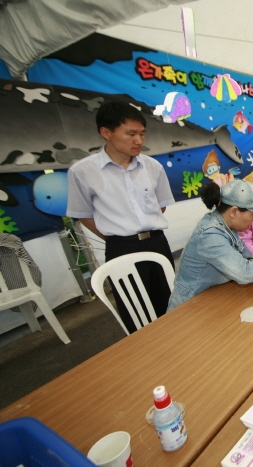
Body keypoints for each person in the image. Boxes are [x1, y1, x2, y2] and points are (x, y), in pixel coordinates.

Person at [67, 100, 175, 333]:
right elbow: (84, 215)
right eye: (131, 134)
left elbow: (160, 206)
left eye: (142, 134)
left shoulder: (152, 166)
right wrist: (117, 238)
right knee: (135, 311)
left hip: (157, 243)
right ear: (106, 132)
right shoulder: (83, 171)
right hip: (120, 248)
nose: (139, 141)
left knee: (170, 303)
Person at [167, 180, 253, 310]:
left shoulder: (228, 224)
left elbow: (243, 252)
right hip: (190, 306)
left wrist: (252, 260)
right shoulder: (210, 235)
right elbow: (244, 273)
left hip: (213, 296)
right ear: (234, 212)